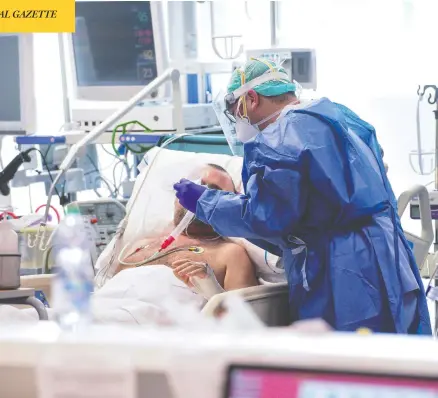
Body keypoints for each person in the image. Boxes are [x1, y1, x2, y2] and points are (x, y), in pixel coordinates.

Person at [174, 58, 432, 334]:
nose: (239, 121)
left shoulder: (278, 140)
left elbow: (266, 217)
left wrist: (206, 202)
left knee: (348, 362)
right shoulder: (340, 117)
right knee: (393, 359)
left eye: (237, 111)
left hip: (343, 270)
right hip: (387, 251)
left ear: (251, 98)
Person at [115, 163, 258, 296]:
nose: (199, 196)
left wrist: (210, 286)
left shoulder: (231, 254)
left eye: (212, 192)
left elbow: (242, 317)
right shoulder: (141, 245)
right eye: (192, 187)